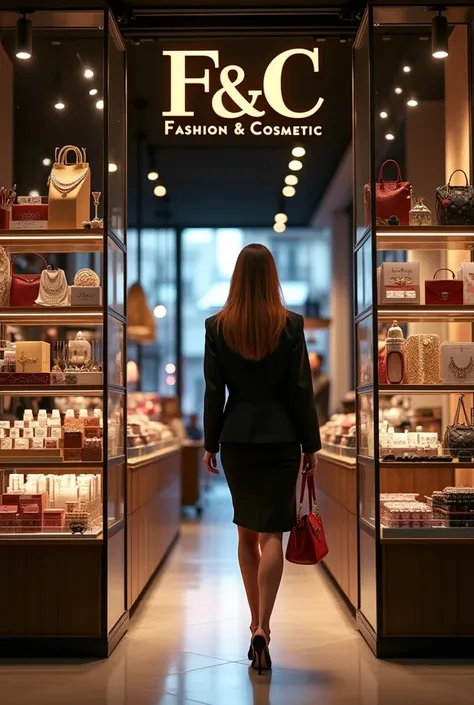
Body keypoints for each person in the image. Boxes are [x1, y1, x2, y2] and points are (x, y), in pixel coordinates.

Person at [203, 243, 321, 675]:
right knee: (274, 533)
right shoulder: (290, 325)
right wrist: (311, 445)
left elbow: (214, 392)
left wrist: (209, 442)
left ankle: (252, 619)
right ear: (272, 276)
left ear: (236, 278)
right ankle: (263, 626)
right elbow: (300, 390)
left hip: (236, 439)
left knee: (245, 532)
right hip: (282, 439)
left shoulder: (217, 327)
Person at [309, 351, 330, 425]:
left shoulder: (323, 380)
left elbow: (310, 393)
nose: (309, 363)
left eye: (312, 361)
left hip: (319, 418)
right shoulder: (311, 378)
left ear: (319, 362)